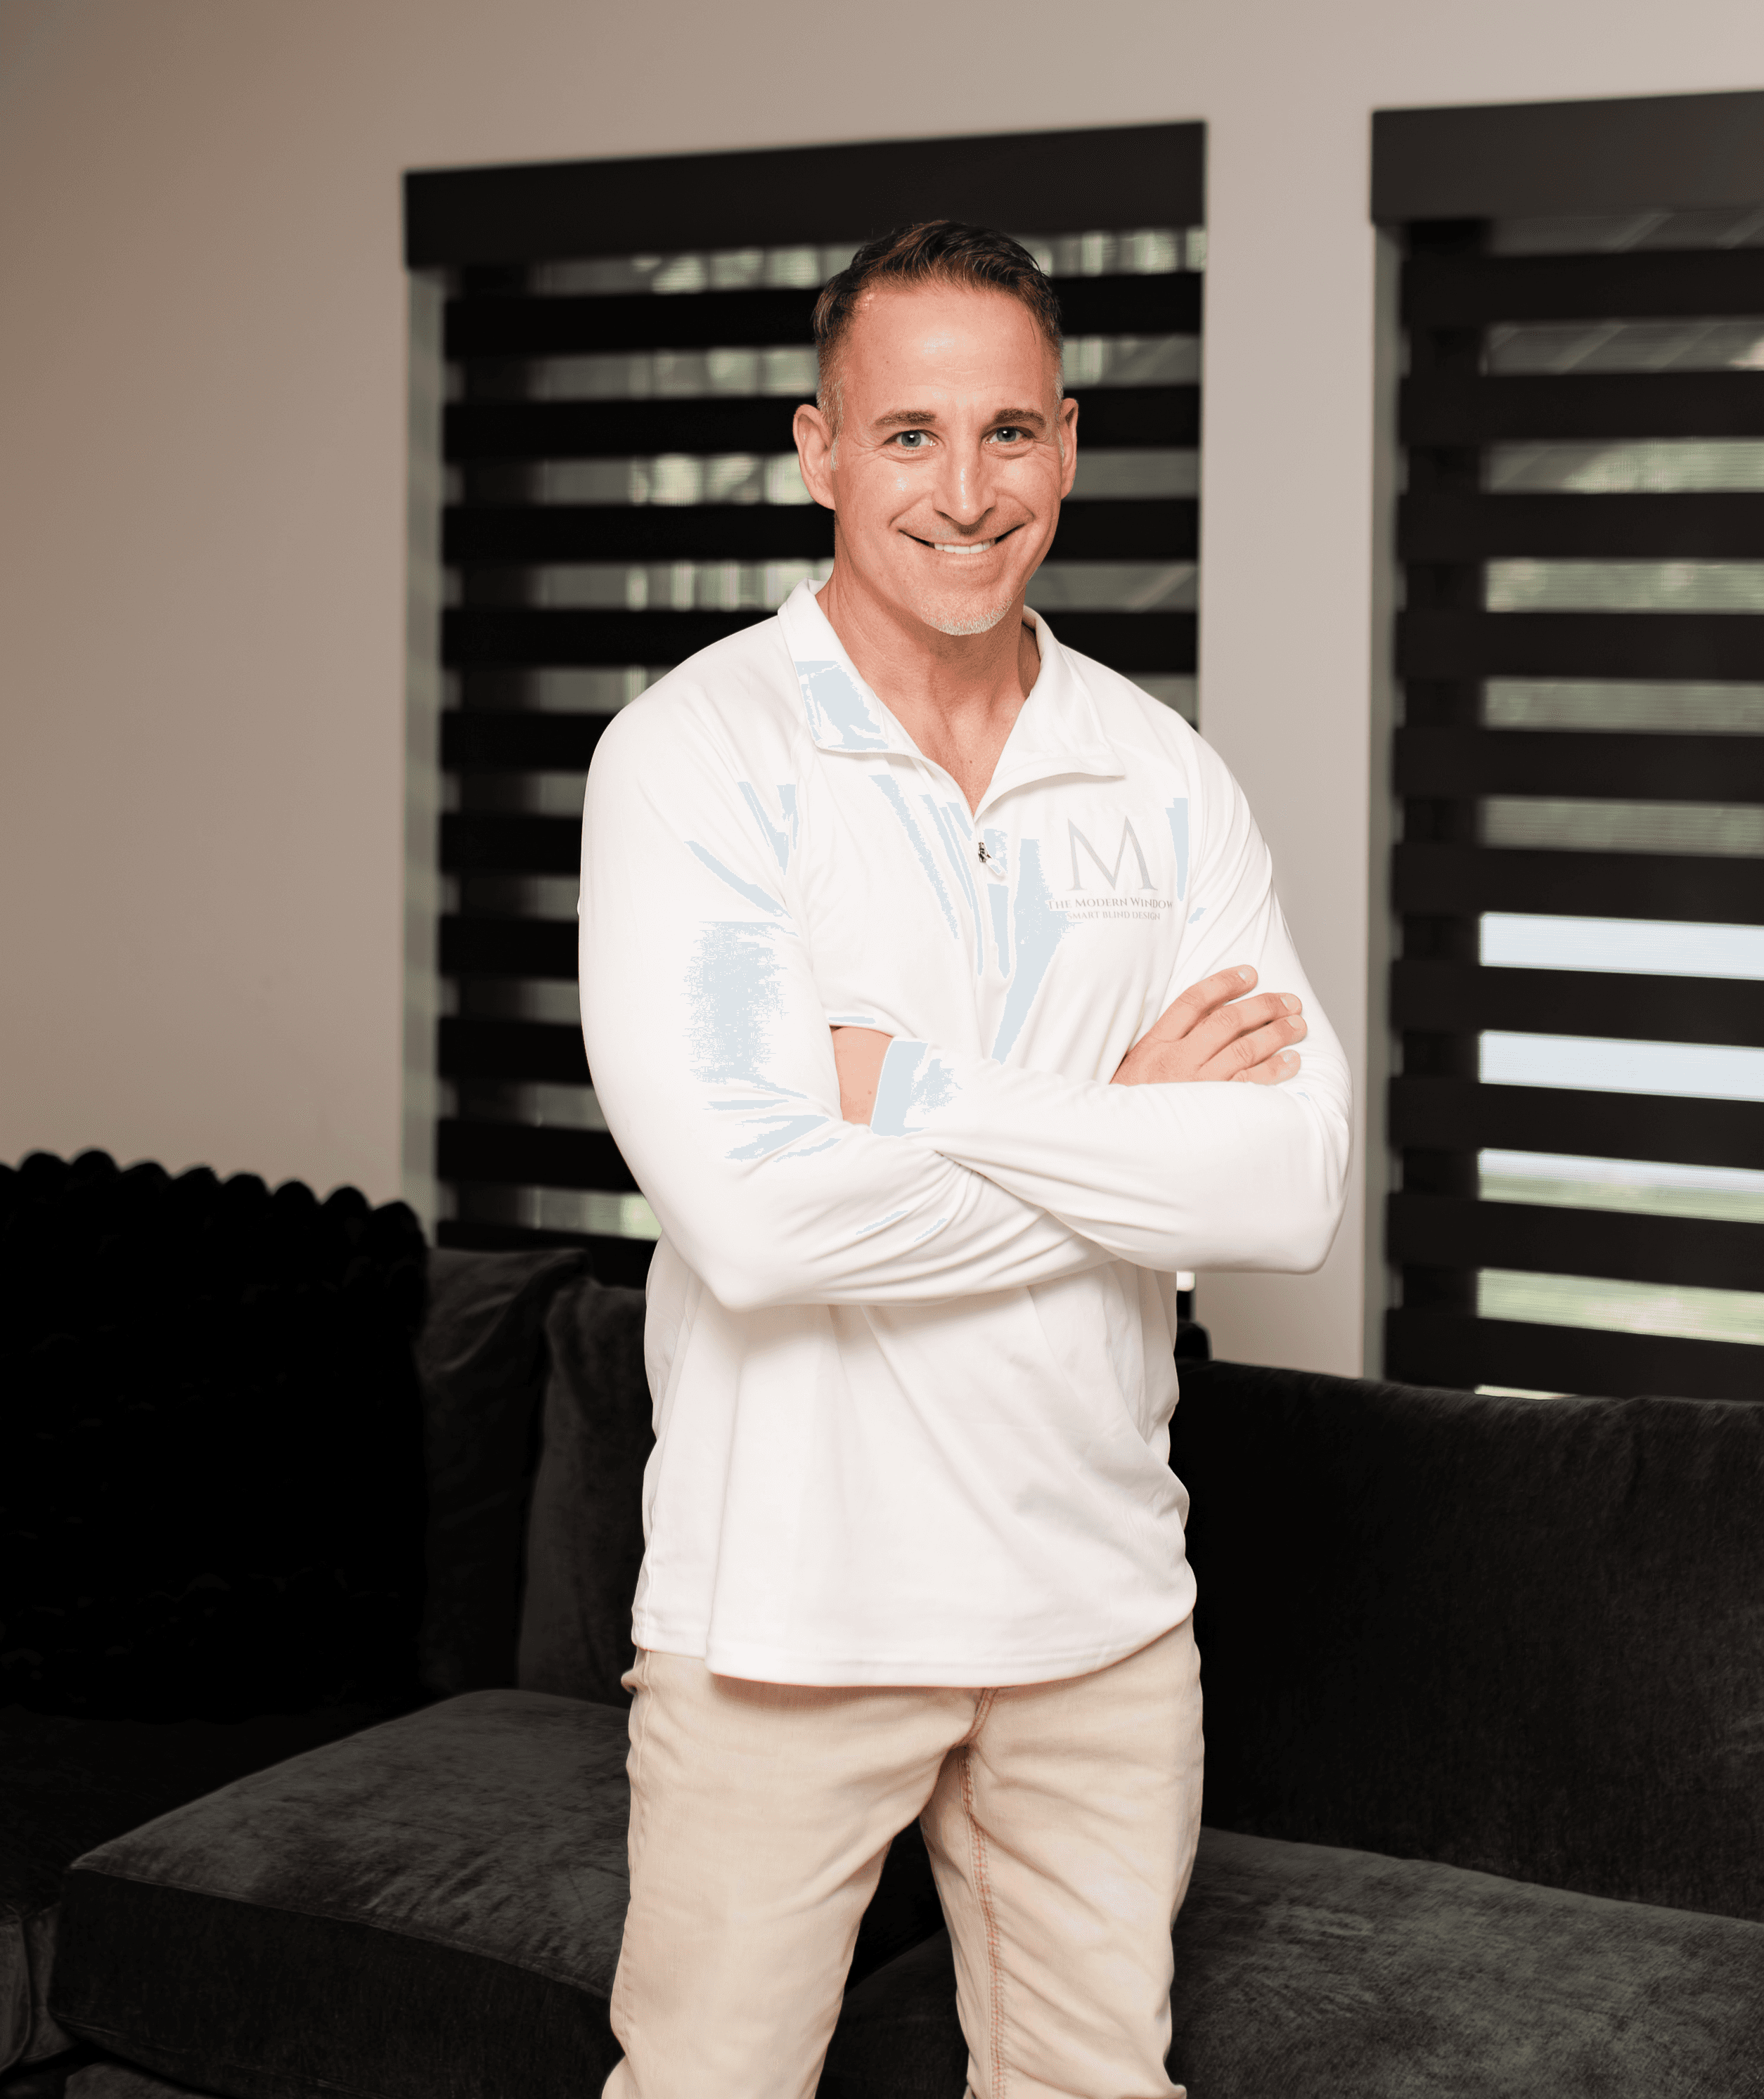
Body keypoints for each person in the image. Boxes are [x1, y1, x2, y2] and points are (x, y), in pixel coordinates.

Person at [579, 220, 1351, 2099]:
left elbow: (1283, 1191)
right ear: (818, 450)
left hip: (1100, 1619)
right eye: (908, 434)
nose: (964, 489)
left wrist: (913, 1092)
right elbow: (758, 1226)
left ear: (1067, 445)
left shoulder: (1160, 774)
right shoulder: (697, 756)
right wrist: (1129, 1125)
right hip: (789, 1617)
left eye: (1009, 431)